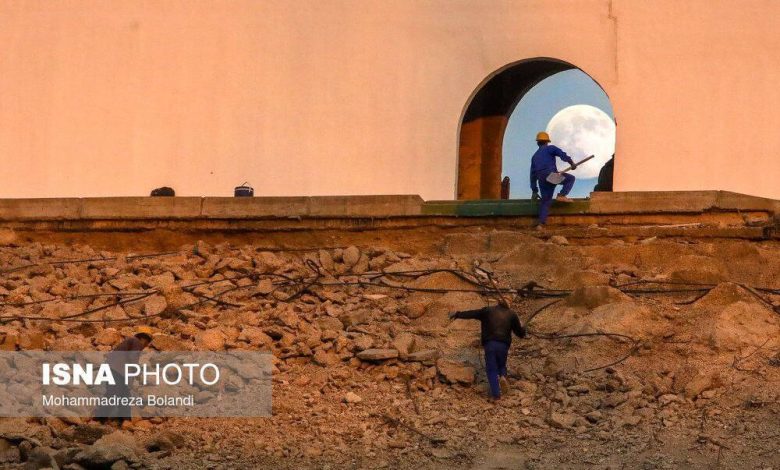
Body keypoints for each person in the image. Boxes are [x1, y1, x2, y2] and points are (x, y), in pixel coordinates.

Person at [448, 305, 526, 401]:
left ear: (499, 301)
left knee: (491, 369)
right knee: (502, 365)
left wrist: (457, 314)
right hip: (504, 345)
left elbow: (472, 313)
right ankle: (502, 376)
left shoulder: (488, 310)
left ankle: (496, 395)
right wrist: (523, 330)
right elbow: (520, 333)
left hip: (490, 344)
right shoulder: (512, 314)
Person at [94, 326, 154, 423]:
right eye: (147, 342)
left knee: (124, 395)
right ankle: (100, 418)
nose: (146, 345)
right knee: (113, 393)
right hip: (114, 370)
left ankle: (124, 420)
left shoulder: (131, 342)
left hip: (115, 370)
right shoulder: (136, 342)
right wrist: (138, 372)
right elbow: (132, 358)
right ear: (143, 338)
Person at [530, 131, 577, 227]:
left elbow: (532, 175)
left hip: (542, 180)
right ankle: (562, 195)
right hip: (551, 176)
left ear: (538, 143)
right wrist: (571, 163)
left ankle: (540, 224)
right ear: (547, 142)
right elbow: (562, 155)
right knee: (570, 179)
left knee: (545, 201)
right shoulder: (550, 148)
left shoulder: (534, 157)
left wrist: (534, 190)